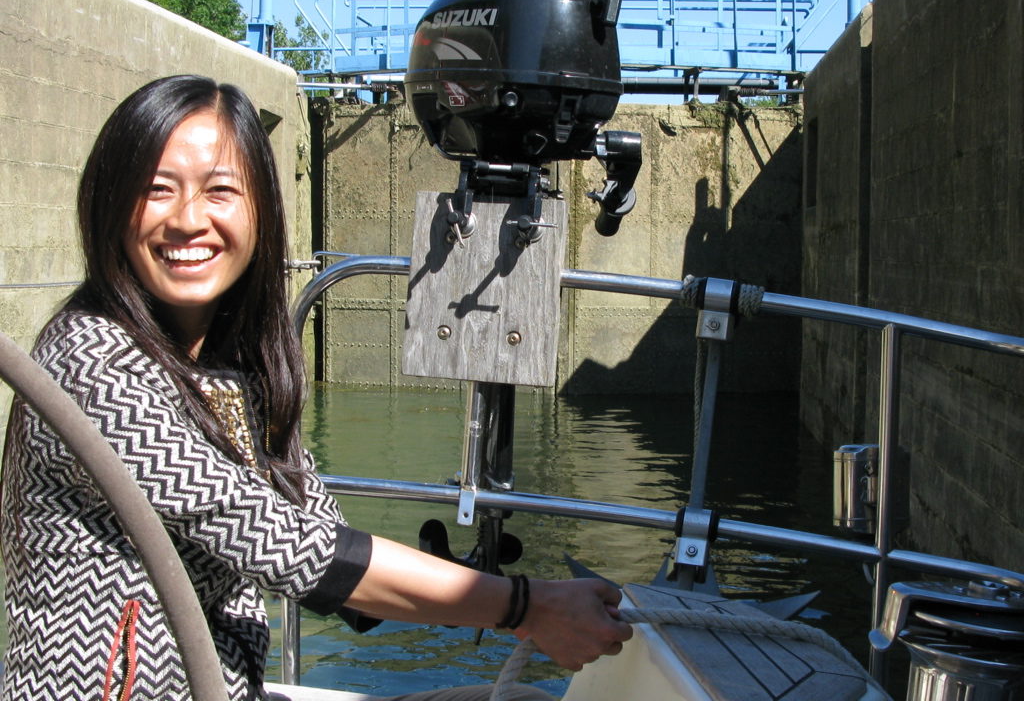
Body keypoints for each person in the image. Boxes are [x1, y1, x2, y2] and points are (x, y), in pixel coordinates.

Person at [0, 75, 631, 701]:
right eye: (156, 190)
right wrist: (525, 606)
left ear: (260, 211)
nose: (188, 220)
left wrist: (449, 585)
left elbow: (314, 521)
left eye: (221, 190)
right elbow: (285, 544)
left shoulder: (242, 364)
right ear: (110, 204)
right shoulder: (88, 362)